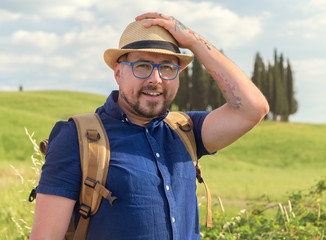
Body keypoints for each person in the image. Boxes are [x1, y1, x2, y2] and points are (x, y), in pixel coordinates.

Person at [30, 12, 269, 240]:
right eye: (142, 66)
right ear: (118, 72)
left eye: (167, 67)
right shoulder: (77, 138)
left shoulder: (186, 131)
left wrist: (194, 41)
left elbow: (252, 108)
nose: (155, 79)